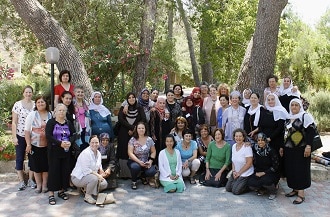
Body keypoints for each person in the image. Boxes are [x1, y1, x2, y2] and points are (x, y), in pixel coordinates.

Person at [283, 98, 315, 204]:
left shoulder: (305, 116)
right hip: (289, 149)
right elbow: (285, 135)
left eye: (297, 105)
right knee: (291, 169)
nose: (294, 107)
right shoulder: (288, 118)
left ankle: (301, 194)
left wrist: (309, 146)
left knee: (300, 170)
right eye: (292, 105)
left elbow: (311, 132)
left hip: (301, 149)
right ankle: (295, 189)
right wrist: (282, 147)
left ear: (300, 106)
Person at [46, 104, 75, 205]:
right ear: (56, 111)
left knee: (64, 171)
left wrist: (70, 142)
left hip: (66, 151)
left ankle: (61, 191)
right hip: (54, 151)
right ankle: (51, 194)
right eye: (60, 110)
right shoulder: (51, 122)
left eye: (63, 110)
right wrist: (60, 143)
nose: (61, 112)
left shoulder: (68, 123)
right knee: (54, 171)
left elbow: (73, 135)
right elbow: (48, 136)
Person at [24, 95, 52, 193]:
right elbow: (27, 131)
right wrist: (28, 144)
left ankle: (45, 185)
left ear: (46, 103)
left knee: (45, 167)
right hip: (34, 145)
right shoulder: (32, 115)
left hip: (47, 146)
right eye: (38, 102)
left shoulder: (50, 114)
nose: (40, 104)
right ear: (36, 104)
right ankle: (38, 186)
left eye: (42, 102)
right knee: (36, 167)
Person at [71, 135, 108, 204]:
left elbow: (99, 165)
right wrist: (98, 175)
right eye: (92, 142)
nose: (94, 144)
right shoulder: (86, 153)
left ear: (99, 143)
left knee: (104, 184)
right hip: (78, 178)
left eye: (96, 142)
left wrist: (101, 171)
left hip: (89, 176)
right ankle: (87, 196)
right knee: (94, 178)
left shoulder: (98, 153)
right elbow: (86, 170)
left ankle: (86, 188)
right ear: (89, 143)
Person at [12, 85, 36, 191]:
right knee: (20, 158)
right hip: (20, 135)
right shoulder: (18, 105)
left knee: (32, 158)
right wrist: (14, 137)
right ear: (23, 93)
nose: (28, 94)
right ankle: (21, 181)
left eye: (30, 92)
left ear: (32, 93)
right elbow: (14, 122)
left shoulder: (35, 104)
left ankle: (31, 180)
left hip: (33, 136)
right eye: (26, 92)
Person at [117, 92, 146, 178]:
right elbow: (121, 119)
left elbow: (143, 118)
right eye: (129, 97)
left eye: (133, 97)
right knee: (124, 151)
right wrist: (130, 128)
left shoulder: (139, 107)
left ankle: (136, 173)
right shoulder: (123, 108)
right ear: (127, 99)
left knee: (136, 151)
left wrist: (134, 129)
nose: (131, 99)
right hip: (124, 133)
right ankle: (124, 174)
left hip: (136, 133)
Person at [259, 93, 288, 176]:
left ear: (276, 100)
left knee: (276, 160)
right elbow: (261, 126)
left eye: (272, 99)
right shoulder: (265, 111)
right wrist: (263, 138)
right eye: (268, 100)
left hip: (275, 140)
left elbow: (280, 128)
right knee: (266, 159)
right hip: (264, 141)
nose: (270, 101)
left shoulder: (281, 111)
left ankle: (275, 180)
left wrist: (270, 138)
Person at [247, 133, 280, 200]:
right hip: (258, 170)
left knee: (266, 181)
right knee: (250, 183)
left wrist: (263, 173)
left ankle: (273, 191)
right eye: (258, 140)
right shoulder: (255, 148)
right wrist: (248, 144)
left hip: (270, 172)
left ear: (265, 141)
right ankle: (263, 189)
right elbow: (250, 146)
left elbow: (275, 167)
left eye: (262, 140)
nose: (260, 142)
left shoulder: (271, 151)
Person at [127, 122, 158, 190]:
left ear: (145, 129)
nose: (141, 130)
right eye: (139, 128)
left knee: (152, 171)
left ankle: (143, 176)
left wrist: (150, 161)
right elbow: (130, 153)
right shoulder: (132, 140)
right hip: (134, 161)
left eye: (142, 128)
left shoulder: (149, 139)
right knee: (135, 167)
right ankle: (134, 181)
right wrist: (139, 162)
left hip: (146, 162)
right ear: (136, 129)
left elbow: (153, 151)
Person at [225, 129, 254, 195]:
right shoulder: (234, 146)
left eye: (240, 136)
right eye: (236, 136)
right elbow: (233, 161)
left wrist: (239, 173)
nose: (238, 138)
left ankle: (249, 186)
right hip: (236, 172)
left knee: (236, 191)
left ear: (243, 137)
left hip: (245, 173)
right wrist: (234, 171)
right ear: (234, 137)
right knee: (228, 188)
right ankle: (238, 183)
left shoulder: (247, 147)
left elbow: (249, 163)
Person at [149, 97, 171, 162]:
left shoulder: (166, 112)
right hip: (156, 135)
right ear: (157, 103)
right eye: (160, 103)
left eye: (163, 103)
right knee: (156, 150)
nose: (162, 105)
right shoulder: (154, 111)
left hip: (164, 135)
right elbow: (152, 124)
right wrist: (153, 134)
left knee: (164, 150)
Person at [73, 86, 91, 151]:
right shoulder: (72, 103)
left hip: (86, 129)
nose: (80, 93)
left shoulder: (86, 103)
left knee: (85, 147)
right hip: (76, 129)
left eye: (82, 92)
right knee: (78, 148)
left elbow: (89, 116)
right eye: (78, 92)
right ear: (74, 93)